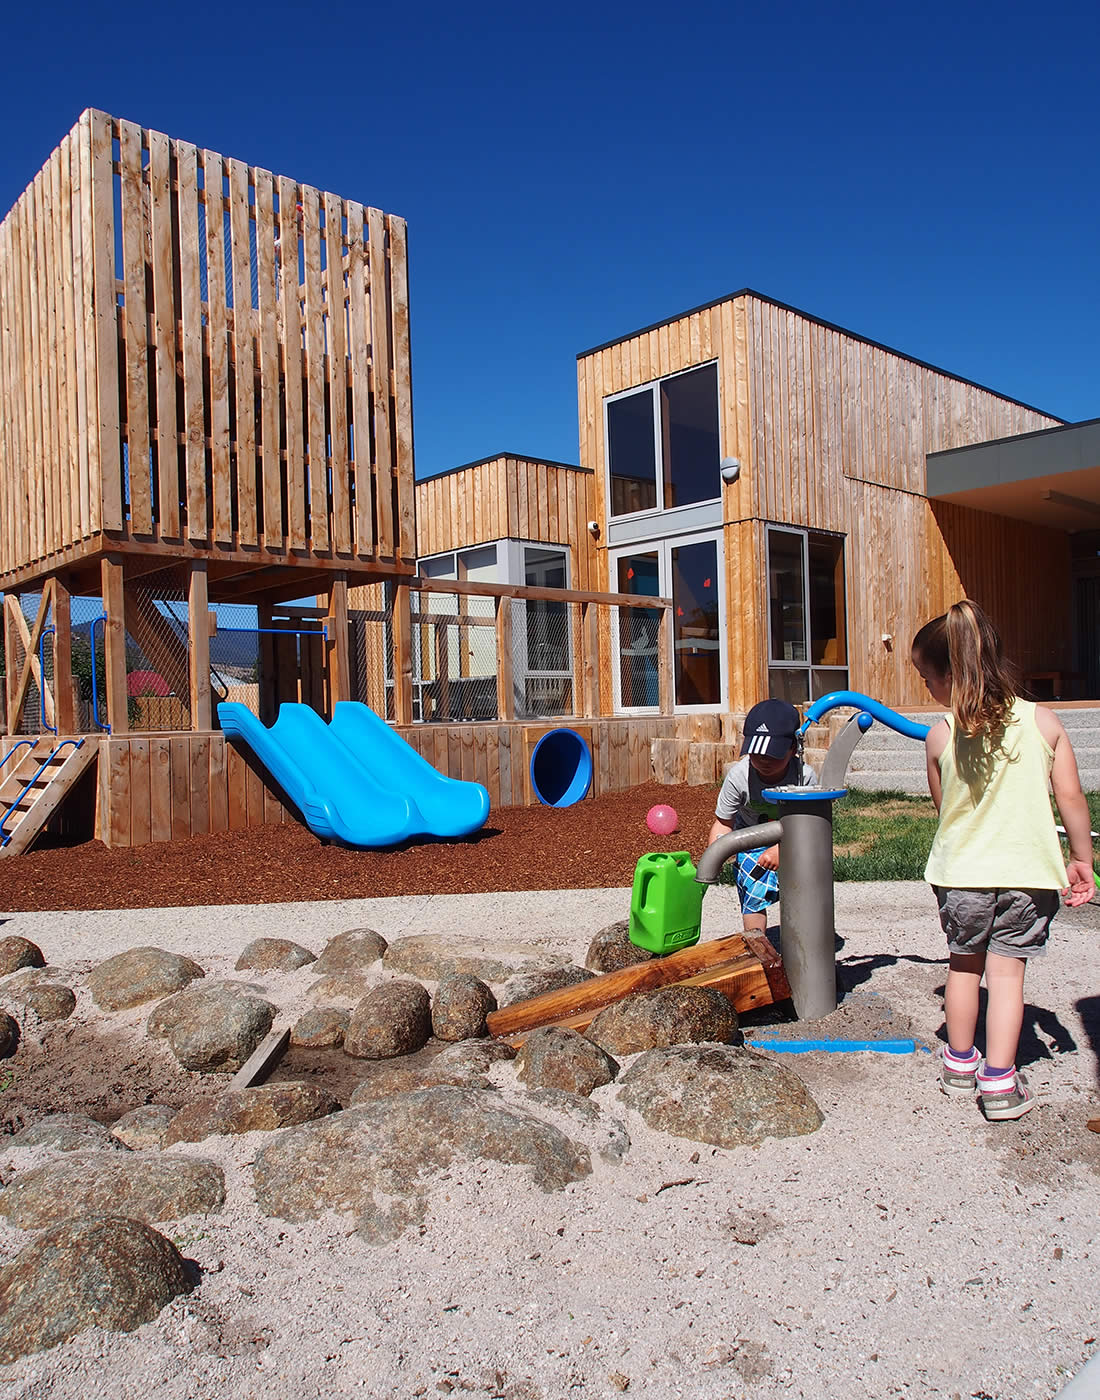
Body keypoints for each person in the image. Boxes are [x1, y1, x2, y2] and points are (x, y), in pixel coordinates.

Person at [911, 599, 1094, 1122]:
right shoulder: (1044, 721)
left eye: (927, 678)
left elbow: (944, 807)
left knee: (963, 968)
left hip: (962, 876)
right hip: (1027, 875)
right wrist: (1081, 858)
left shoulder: (941, 734)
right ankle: (999, 1082)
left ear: (950, 674)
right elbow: (1073, 800)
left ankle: (959, 1063)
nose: (927, 688)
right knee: (1008, 977)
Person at [707, 698, 817, 935]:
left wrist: (781, 849)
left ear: (792, 749)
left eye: (773, 755)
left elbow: (811, 828)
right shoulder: (738, 776)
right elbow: (723, 823)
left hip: (796, 841)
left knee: (802, 888)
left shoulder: (804, 778)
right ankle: (756, 944)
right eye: (757, 754)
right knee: (751, 888)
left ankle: (802, 941)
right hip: (750, 839)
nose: (764, 761)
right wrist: (715, 857)